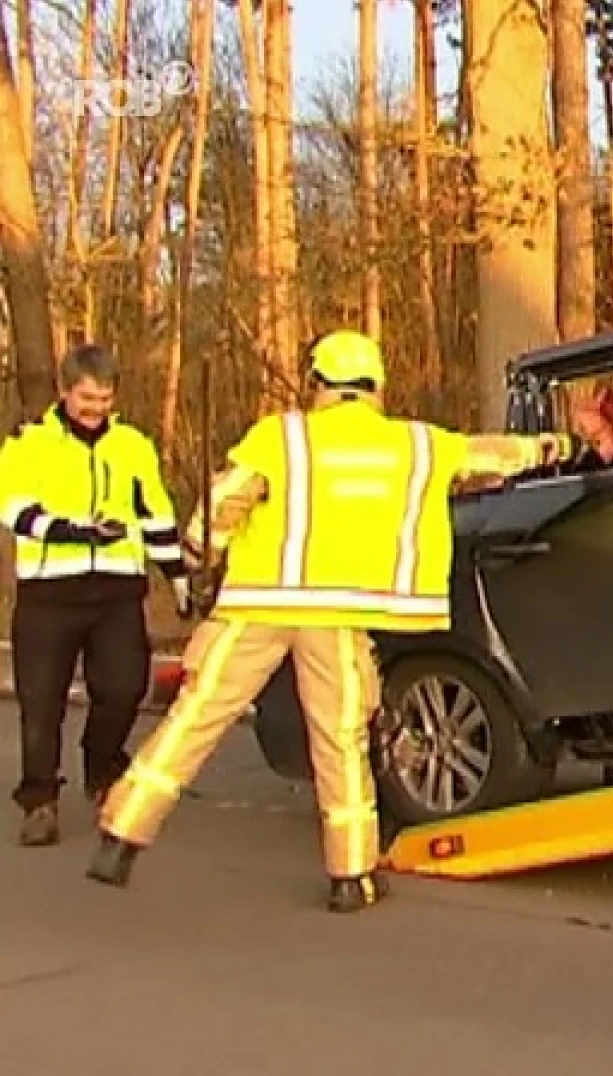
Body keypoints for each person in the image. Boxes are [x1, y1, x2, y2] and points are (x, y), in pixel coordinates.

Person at [85, 330, 575, 913]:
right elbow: (489, 455)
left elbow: (227, 500)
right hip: (337, 615)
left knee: (194, 719)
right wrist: (559, 444)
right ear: (375, 385)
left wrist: (197, 552)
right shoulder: (414, 444)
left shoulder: (283, 437)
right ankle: (352, 876)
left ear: (318, 382)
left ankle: (120, 838)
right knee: (340, 741)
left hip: (258, 607)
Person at [0, 344, 192, 848]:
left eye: (105, 399)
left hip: (116, 591)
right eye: (87, 399)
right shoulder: (28, 444)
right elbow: (14, 509)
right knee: (40, 704)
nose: (96, 409)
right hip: (49, 594)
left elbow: (155, 515)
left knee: (126, 688)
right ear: (65, 392)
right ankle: (39, 800)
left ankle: (102, 762)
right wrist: (73, 531)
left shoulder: (133, 446)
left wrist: (177, 577)